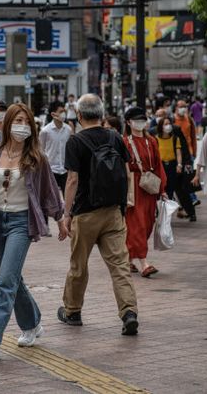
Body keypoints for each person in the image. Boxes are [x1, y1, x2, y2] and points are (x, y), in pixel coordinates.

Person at [0, 103, 67, 360]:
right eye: (17, 121)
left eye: (26, 121)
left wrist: (61, 218)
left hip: (22, 223)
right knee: (12, 278)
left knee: (5, 281)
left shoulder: (36, 158)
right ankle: (33, 324)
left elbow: (50, 192)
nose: (21, 126)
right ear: (8, 124)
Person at [57, 94, 139, 335]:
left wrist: (66, 213)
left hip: (85, 213)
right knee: (119, 265)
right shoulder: (115, 137)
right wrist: (126, 201)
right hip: (113, 211)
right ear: (102, 115)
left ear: (79, 115)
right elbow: (125, 170)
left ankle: (72, 311)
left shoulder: (76, 141)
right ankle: (129, 312)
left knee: (78, 265)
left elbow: (72, 180)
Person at [122, 107, 167, 277]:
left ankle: (129, 258)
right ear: (128, 122)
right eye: (136, 120)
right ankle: (144, 262)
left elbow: (158, 165)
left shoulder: (152, 141)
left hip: (149, 185)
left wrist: (162, 189)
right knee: (137, 224)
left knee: (148, 222)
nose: (140, 123)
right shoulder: (125, 142)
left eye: (143, 119)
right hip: (133, 186)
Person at [155, 115, 186, 219]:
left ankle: (166, 214)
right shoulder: (155, 139)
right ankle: (159, 212)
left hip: (172, 166)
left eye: (169, 124)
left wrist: (179, 165)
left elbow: (178, 153)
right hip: (160, 166)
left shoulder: (175, 139)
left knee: (170, 190)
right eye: (165, 124)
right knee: (160, 189)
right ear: (160, 126)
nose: (168, 126)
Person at [39, 100, 71, 192]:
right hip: (51, 171)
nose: (63, 114)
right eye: (61, 112)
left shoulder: (68, 130)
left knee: (67, 197)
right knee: (51, 198)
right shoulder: (45, 131)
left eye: (64, 111)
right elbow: (41, 150)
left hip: (65, 170)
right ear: (53, 114)